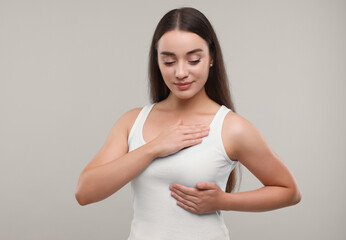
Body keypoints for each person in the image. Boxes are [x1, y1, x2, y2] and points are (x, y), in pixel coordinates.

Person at [75, 7, 301, 240]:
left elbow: (289, 191)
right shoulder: (132, 121)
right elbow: (85, 192)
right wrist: (153, 148)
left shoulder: (231, 127)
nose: (180, 72)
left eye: (193, 60)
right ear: (157, 61)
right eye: (169, 61)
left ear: (211, 58)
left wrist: (224, 201)